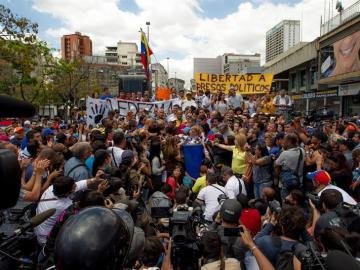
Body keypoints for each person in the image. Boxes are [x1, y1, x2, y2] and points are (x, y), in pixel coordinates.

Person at [35, 174, 103, 245]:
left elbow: (78, 184)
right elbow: (84, 207)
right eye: (74, 187)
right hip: (46, 239)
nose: (76, 187)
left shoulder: (53, 188)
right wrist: (98, 193)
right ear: (66, 194)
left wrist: (94, 180)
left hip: (39, 229)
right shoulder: (62, 206)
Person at [275, 133, 305, 199]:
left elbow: (276, 164)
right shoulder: (302, 150)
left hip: (286, 184)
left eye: (285, 141)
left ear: (289, 142)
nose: (283, 142)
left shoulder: (285, 153)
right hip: (299, 182)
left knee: (286, 203)